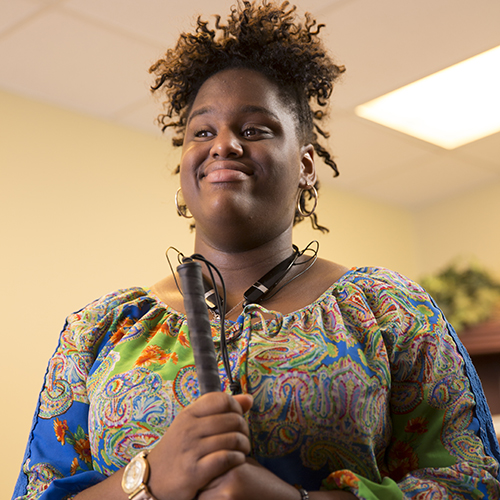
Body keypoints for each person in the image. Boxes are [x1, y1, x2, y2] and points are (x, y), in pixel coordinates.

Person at [12, 1, 500, 499]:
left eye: (254, 130)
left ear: (307, 165)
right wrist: (151, 477)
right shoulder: (101, 329)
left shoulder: (390, 311)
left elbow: (473, 482)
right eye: (202, 132)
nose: (223, 145)